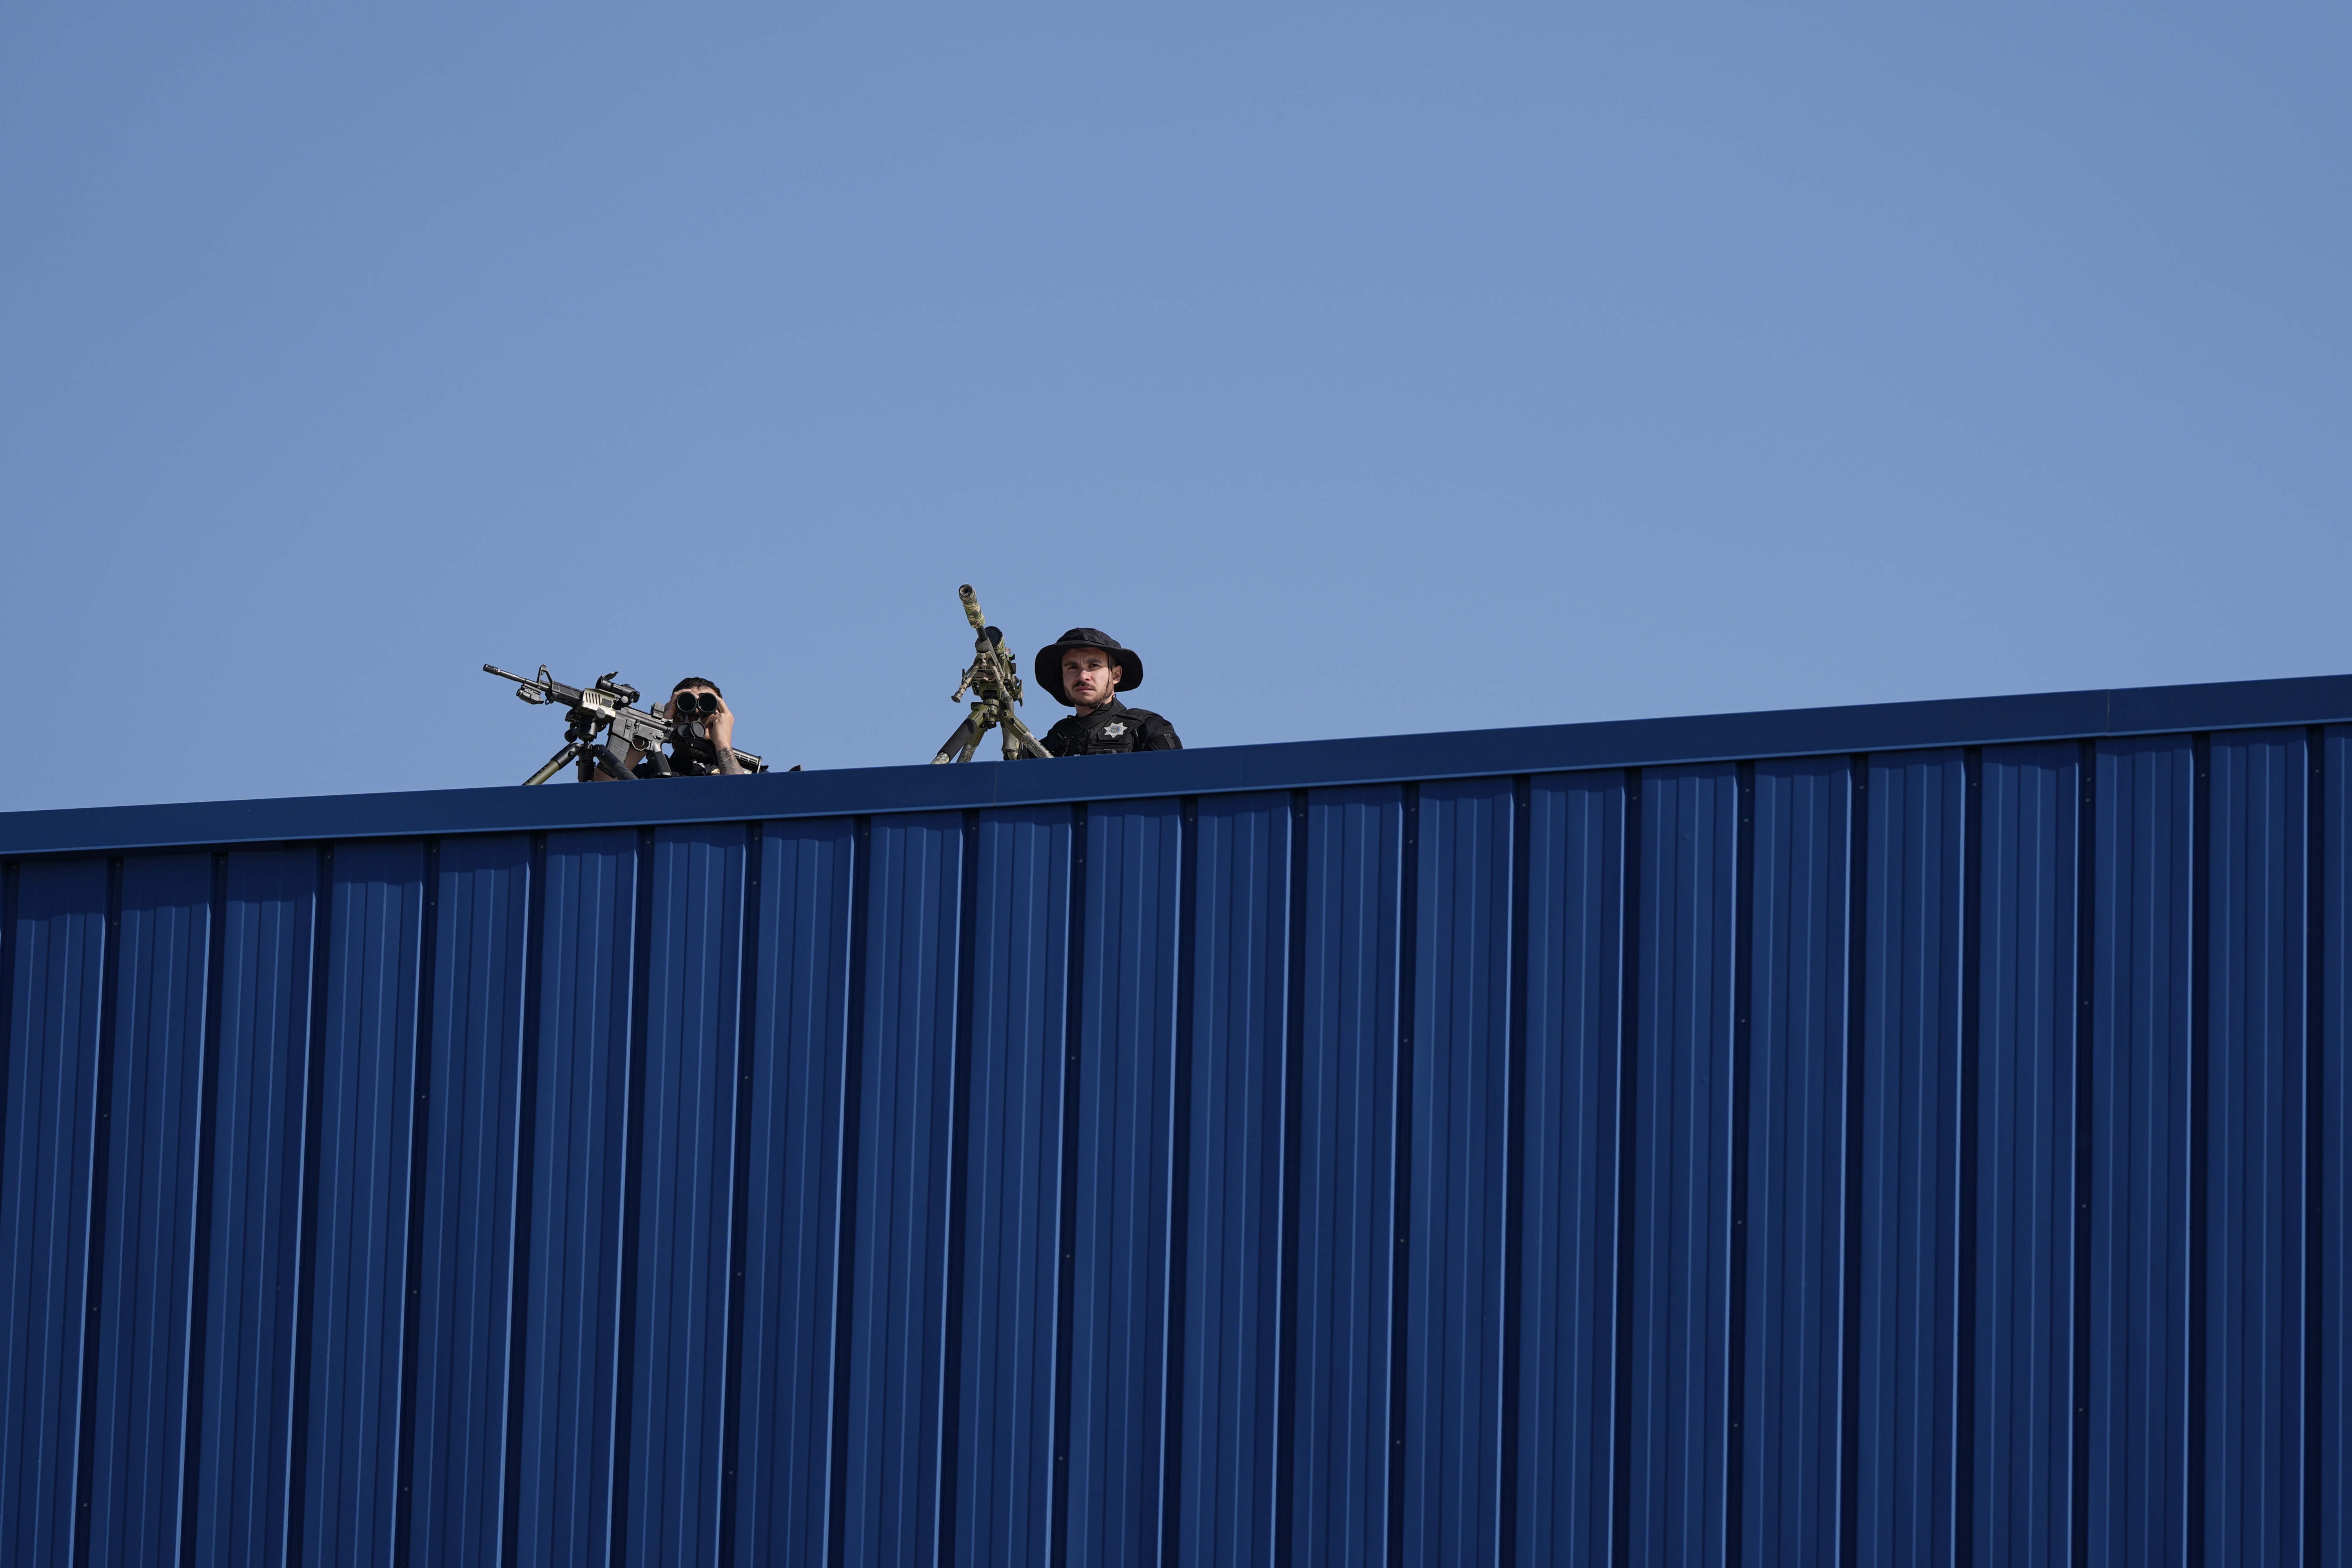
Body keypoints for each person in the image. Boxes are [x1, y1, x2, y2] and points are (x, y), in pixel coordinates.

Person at [1031, 628, 1181, 756]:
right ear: (1063, 678)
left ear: (1116, 675)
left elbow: (1177, 780)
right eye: (1072, 668)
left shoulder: (1146, 728)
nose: (1083, 676)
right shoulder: (1051, 743)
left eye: (1093, 666)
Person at [590, 675, 747, 779]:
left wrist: (724, 746)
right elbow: (601, 790)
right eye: (685, 710)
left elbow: (744, 798)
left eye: (706, 713)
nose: (695, 722)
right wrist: (657, 725)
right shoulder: (646, 776)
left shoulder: (750, 774)